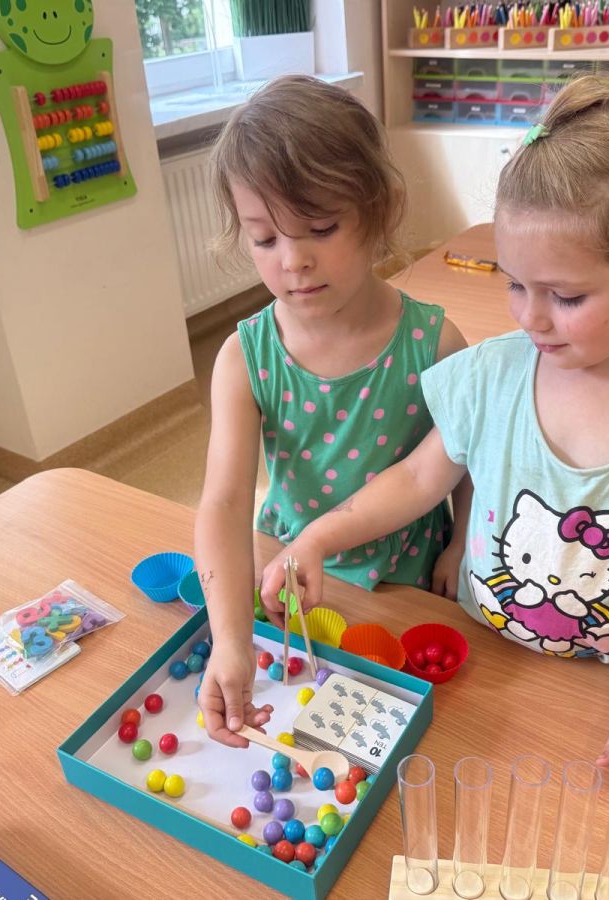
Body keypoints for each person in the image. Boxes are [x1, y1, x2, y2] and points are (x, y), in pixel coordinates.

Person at [260, 77, 609, 810]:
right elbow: (416, 480)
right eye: (514, 284)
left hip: (608, 689)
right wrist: (318, 536)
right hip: (482, 657)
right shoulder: (492, 375)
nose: (530, 319)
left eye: (565, 296)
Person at [196, 75, 470, 750]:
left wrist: (461, 542)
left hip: (404, 577)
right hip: (288, 578)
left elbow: (464, 462)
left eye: (320, 228)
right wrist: (229, 639)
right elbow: (223, 502)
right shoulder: (243, 358)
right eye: (264, 239)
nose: (293, 261)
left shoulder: (435, 343)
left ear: (380, 210)